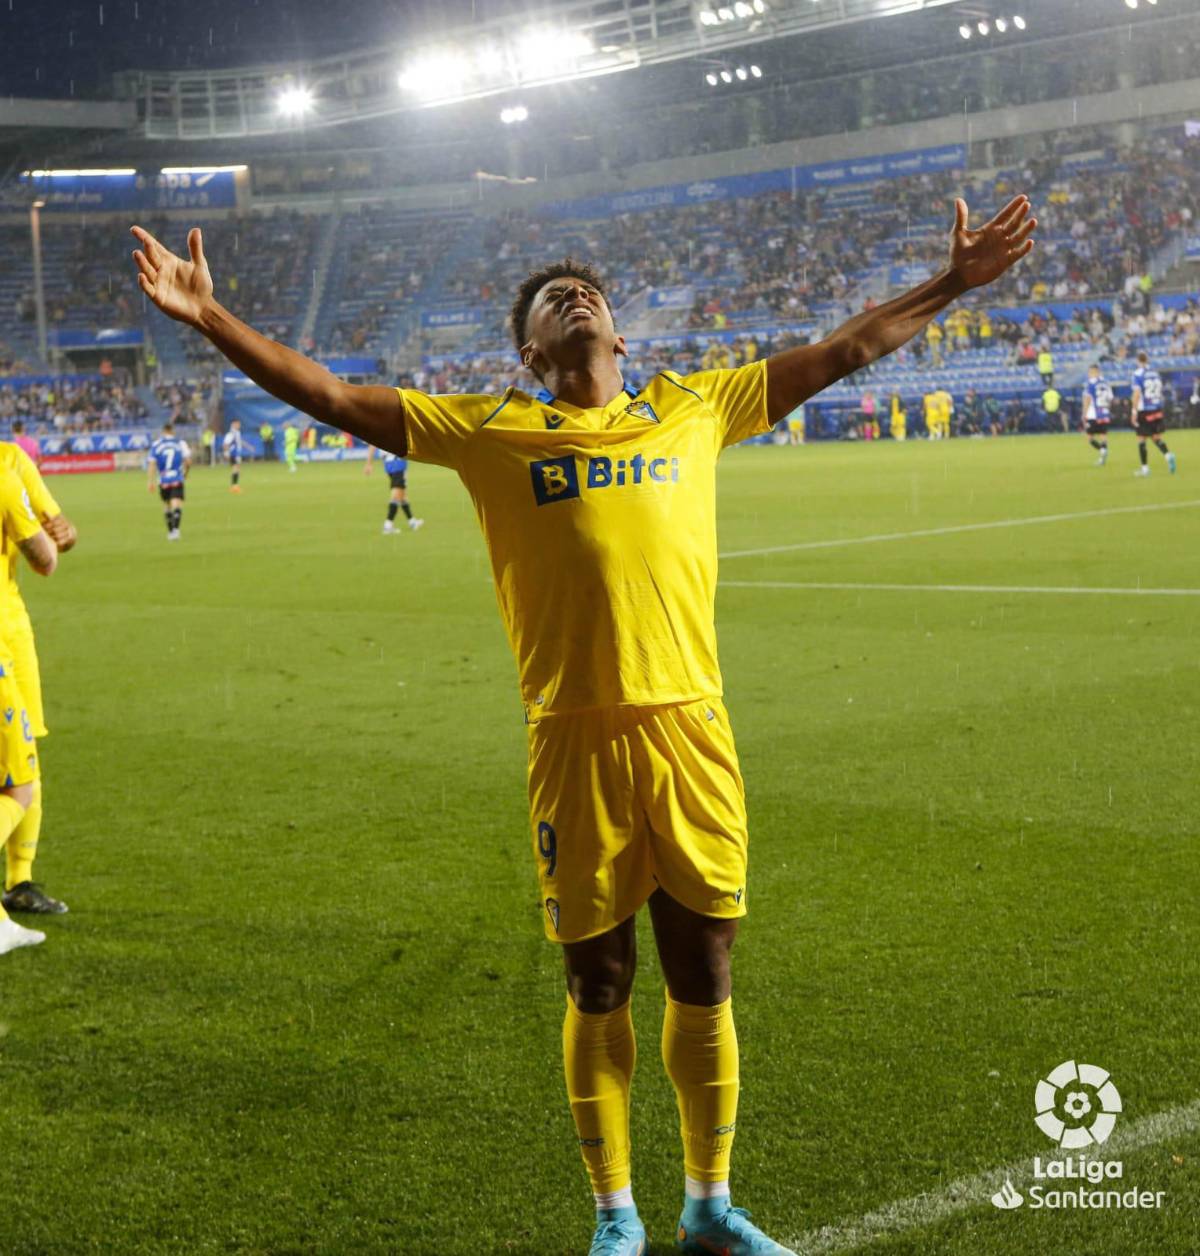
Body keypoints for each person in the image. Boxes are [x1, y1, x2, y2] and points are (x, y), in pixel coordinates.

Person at [130, 193, 1036, 1256]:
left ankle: (709, 1200)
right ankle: (616, 1211)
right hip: (573, 739)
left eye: (589, 293)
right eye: (556, 299)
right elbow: (331, 393)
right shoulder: (490, 431)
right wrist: (211, 317)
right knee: (597, 977)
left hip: (691, 729)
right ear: (530, 349)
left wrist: (952, 284)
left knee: (705, 966)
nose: (578, 299)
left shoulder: (696, 406)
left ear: (620, 332)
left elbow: (842, 350)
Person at [0, 442, 76, 920]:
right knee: (21, 774)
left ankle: (20, 882)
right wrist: (50, 545)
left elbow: (56, 529)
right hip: (3, 628)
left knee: (26, 753)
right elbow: (44, 560)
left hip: (14, 629)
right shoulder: (5, 473)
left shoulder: (13, 460)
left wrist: (62, 533)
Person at [1131, 350, 1176, 477]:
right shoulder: (1155, 374)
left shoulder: (1138, 374)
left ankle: (1145, 469)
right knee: (1155, 436)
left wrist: (1133, 411)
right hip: (1156, 408)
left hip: (1144, 410)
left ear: (1138, 360)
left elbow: (1136, 393)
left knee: (1141, 438)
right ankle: (1168, 456)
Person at [365, 445, 424, 534]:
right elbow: (372, 446)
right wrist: (369, 463)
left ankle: (412, 521)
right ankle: (388, 525)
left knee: (402, 494)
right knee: (397, 495)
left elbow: (372, 445)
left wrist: (369, 463)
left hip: (390, 463)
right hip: (397, 462)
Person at [147, 422, 191, 539]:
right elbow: (188, 461)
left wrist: (150, 481)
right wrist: (186, 473)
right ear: (172, 431)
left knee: (166, 505)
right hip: (177, 477)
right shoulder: (180, 443)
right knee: (176, 503)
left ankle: (170, 531)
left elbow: (152, 464)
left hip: (163, 479)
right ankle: (176, 530)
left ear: (163, 431)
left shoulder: (156, 444)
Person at [1081, 364, 1112, 467]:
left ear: (1095, 372)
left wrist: (1084, 413)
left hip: (1093, 414)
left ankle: (1102, 451)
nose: (1089, 374)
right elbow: (1110, 398)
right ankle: (1103, 454)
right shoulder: (1106, 383)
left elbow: (1088, 399)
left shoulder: (1091, 383)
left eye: (1090, 372)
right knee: (1103, 435)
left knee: (1089, 437)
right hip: (1104, 413)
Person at [222, 418, 244, 492]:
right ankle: (234, 486)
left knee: (237, 469)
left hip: (237, 453)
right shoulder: (231, 433)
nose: (239, 425)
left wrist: (249, 447)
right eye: (238, 424)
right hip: (232, 454)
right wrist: (226, 454)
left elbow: (239, 442)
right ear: (233, 424)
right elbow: (225, 444)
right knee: (235, 469)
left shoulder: (237, 433)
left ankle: (234, 485)